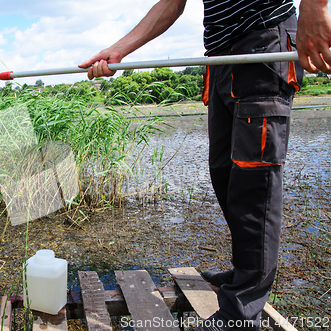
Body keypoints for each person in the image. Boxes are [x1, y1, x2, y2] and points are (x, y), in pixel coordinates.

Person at [79, 0, 331, 330]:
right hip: (220, 55)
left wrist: (315, 5)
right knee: (224, 173)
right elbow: (172, 3)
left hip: (262, 45)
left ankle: (240, 311)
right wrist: (118, 50)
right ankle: (245, 272)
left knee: (254, 180)